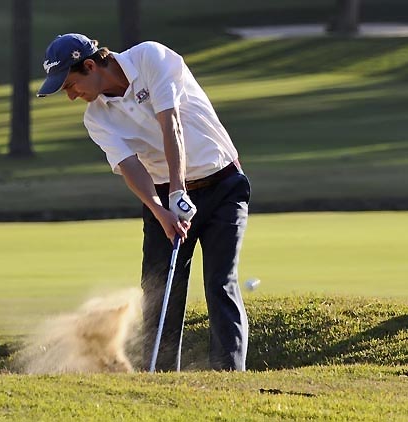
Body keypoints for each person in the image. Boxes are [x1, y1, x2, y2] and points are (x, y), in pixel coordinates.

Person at [37, 33, 250, 371]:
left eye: (69, 85)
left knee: (219, 283)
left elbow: (172, 125)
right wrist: (161, 210)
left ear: (90, 65)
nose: (71, 96)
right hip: (162, 195)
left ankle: (229, 376)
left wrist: (179, 190)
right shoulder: (96, 118)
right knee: (161, 292)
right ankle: (163, 377)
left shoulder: (150, 58)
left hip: (222, 182)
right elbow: (130, 166)